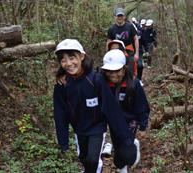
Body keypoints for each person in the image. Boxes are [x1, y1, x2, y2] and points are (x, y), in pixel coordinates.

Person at [53, 39, 139, 173]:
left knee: (93, 160)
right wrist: (63, 141)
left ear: (82, 56)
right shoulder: (62, 85)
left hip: (97, 127)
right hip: (79, 129)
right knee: (85, 159)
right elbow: (60, 114)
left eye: (72, 58)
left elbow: (112, 110)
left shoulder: (96, 80)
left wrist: (126, 138)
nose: (68, 63)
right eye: (63, 60)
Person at [101, 49, 150, 173]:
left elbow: (142, 106)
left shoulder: (134, 85)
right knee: (118, 146)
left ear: (124, 69)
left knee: (126, 150)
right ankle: (122, 167)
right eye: (109, 71)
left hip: (130, 121)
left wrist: (143, 126)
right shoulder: (102, 83)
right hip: (113, 121)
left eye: (117, 71)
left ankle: (131, 149)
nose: (113, 75)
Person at [107, 7, 139, 77]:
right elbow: (109, 41)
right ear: (115, 17)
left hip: (129, 50)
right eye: (118, 16)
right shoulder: (111, 29)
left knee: (131, 66)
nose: (120, 17)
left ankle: (133, 82)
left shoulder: (130, 26)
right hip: (116, 51)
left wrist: (137, 53)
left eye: (121, 16)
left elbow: (136, 39)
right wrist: (107, 54)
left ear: (124, 16)